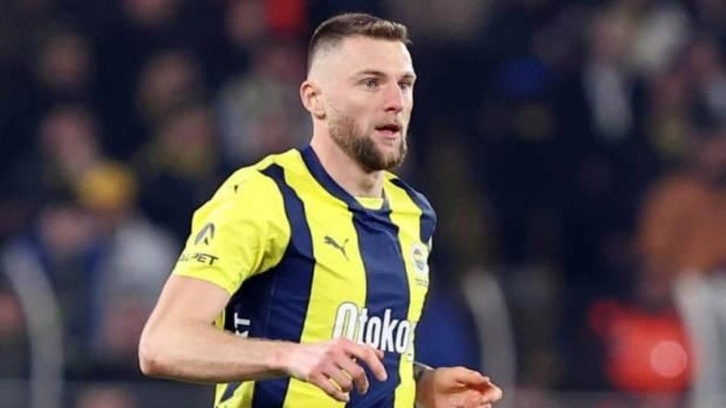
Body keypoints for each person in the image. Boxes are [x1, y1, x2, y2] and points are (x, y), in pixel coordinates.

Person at [138, 12, 503, 408]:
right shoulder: (265, 195)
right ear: (315, 99)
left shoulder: (413, 213)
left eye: (404, 84)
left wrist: (420, 384)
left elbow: (365, 355)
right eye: (371, 83)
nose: (395, 102)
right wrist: (288, 356)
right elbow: (163, 343)